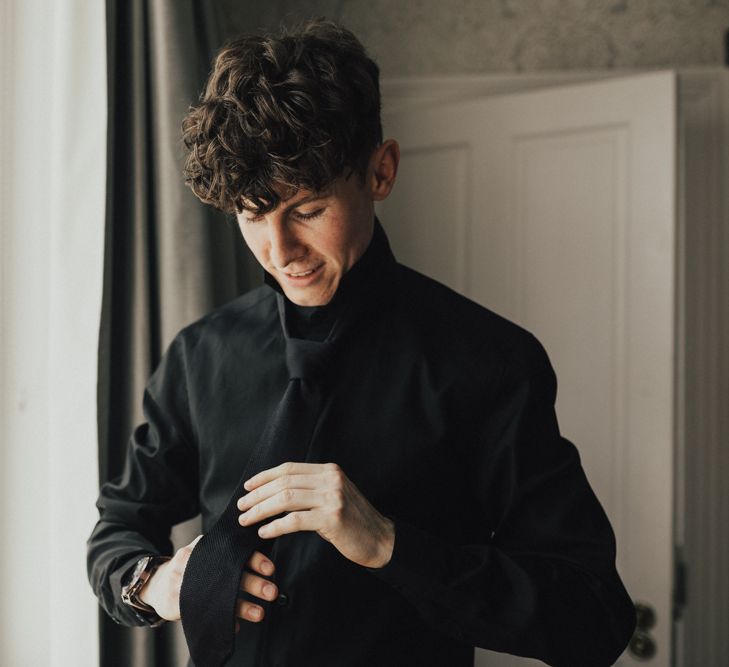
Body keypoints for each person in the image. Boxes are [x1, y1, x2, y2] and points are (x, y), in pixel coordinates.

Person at [87, 18, 636, 667]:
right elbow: (118, 526)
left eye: (308, 209)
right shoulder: (198, 356)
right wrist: (154, 585)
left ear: (380, 171)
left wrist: (387, 544)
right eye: (251, 214)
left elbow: (593, 614)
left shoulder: (489, 362)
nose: (279, 251)